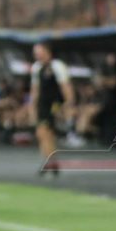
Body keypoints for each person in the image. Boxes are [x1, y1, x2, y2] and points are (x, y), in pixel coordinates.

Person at [29, 42, 76, 175]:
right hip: (42, 105)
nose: (36, 55)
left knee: (44, 132)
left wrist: (69, 104)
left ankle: (50, 162)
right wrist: (31, 107)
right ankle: (51, 162)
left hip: (55, 105)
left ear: (47, 51)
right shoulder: (36, 67)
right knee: (45, 135)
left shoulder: (57, 66)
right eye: (35, 53)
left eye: (39, 52)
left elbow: (66, 87)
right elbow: (35, 90)